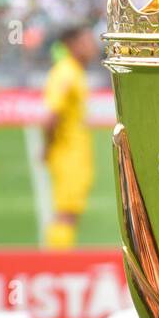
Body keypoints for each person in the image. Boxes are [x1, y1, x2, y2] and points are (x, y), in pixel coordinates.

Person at [43, 26, 98, 249]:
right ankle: (57, 263)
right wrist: (48, 147)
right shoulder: (65, 72)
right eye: (87, 41)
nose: (93, 46)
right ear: (73, 45)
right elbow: (50, 116)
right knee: (66, 213)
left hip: (73, 151)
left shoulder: (74, 71)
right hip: (68, 153)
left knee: (70, 212)